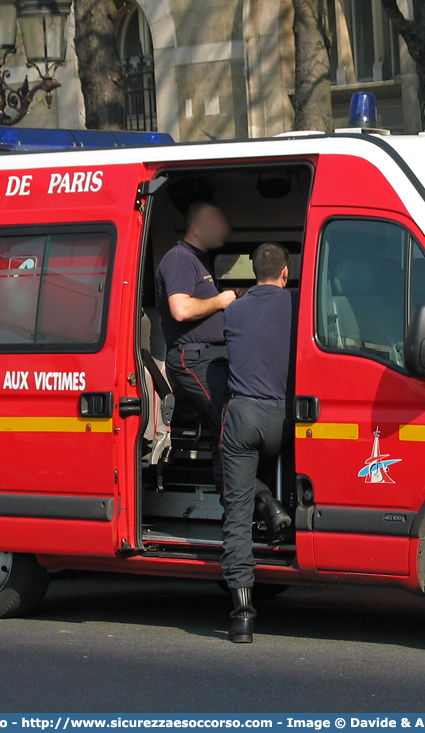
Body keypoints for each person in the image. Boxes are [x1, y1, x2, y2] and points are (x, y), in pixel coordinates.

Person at [220, 242, 294, 644]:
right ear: (285, 273)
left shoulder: (234, 309)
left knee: (237, 508)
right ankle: (273, 503)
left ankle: (243, 616)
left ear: (254, 272)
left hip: (244, 415)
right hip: (286, 419)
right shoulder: (298, 306)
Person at [155, 200, 237, 493]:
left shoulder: (199, 260)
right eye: (215, 222)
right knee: (234, 424)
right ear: (195, 228)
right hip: (193, 357)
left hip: (212, 355)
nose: (223, 229)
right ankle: (260, 502)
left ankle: (235, 502)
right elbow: (180, 309)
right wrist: (222, 300)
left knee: (226, 427)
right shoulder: (179, 259)